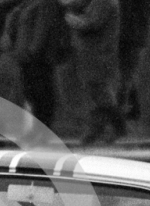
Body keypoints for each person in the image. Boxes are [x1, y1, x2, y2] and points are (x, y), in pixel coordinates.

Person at [59, 0, 125, 145]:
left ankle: (118, 127)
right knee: (96, 94)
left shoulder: (106, 2)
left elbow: (93, 23)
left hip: (98, 55)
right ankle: (96, 131)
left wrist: (73, 20)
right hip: (92, 55)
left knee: (101, 93)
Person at [4, 0, 70, 129]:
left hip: (38, 58)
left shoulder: (45, 4)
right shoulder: (28, 4)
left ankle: (43, 129)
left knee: (41, 94)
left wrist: (33, 51)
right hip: (25, 56)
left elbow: (43, 28)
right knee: (31, 94)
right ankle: (37, 128)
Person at [118, 0, 150, 121]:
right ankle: (128, 108)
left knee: (126, 75)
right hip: (131, 37)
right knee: (127, 75)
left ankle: (125, 108)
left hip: (128, 37)